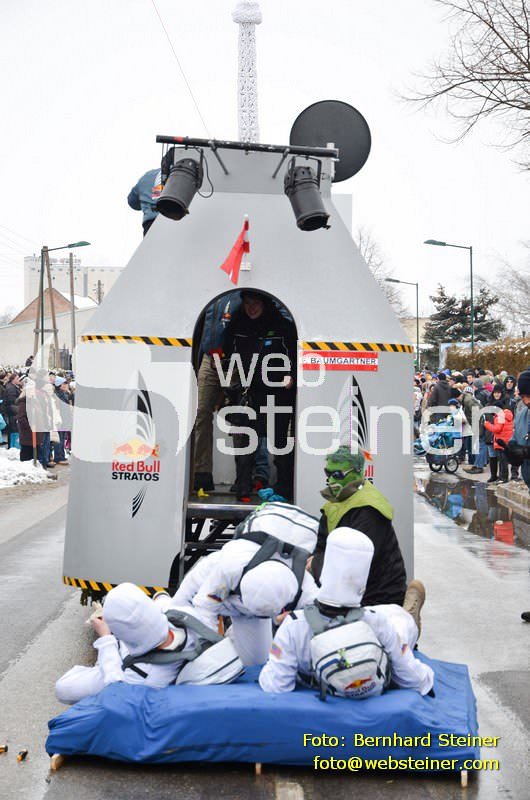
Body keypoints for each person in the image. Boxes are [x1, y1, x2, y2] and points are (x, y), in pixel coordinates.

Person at [259, 529, 434, 698]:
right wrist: (426, 676)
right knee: (399, 620)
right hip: (386, 626)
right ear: (364, 578)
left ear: (325, 570)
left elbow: (275, 685)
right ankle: (409, 616)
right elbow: (413, 679)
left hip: (320, 689)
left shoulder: (293, 626)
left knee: (394, 619)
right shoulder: (377, 622)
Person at [171, 507, 319, 665]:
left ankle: (233, 638)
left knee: (257, 662)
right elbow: (205, 608)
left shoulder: (305, 589)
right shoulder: (231, 568)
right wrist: (211, 652)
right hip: (205, 589)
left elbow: (321, 621)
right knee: (182, 637)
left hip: (249, 615)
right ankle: (163, 602)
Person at [55, 583, 243, 705]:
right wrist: (159, 596)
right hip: (157, 648)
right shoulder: (188, 617)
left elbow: (111, 691)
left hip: (129, 664)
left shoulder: (140, 677)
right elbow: (162, 602)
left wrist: (106, 638)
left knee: (67, 686)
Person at [222, 290, 297, 501]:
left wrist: (291, 375)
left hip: (278, 392)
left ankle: (284, 488)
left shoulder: (282, 326)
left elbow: (294, 353)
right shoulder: (236, 325)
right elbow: (227, 355)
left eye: (256, 303)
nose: (251, 308)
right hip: (250, 392)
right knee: (247, 442)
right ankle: (243, 486)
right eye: (247, 303)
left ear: (265, 304)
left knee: (280, 442)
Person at [309, 447, 407, 606]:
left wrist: (315, 564)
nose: (331, 480)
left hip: (378, 596)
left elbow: (357, 563)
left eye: (338, 475)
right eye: (328, 473)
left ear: (358, 472)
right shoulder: (335, 503)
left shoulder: (369, 510)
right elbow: (321, 546)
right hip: (347, 590)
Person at [499, 368, 530, 493]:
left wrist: (526, 452)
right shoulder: (522, 415)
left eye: (529, 396)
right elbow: (516, 438)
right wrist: (511, 450)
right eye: (523, 397)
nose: (526, 401)